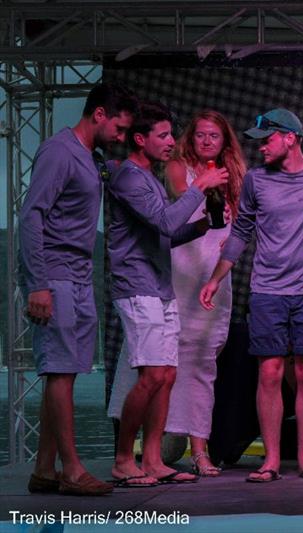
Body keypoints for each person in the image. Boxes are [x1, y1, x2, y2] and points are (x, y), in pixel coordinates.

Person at [200, 108, 303, 483]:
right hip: (267, 291)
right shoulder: (257, 180)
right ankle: (271, 460)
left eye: (267, 140)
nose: (260, 148)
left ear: (289, 138)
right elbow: (241, 232)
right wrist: (214, 278)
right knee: (270, 372)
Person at [19, 82, 137, 496]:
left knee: (67, 370)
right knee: (60, 371)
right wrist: (38, 285)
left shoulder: (91, 157)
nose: (121, 137)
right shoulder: (59, 151)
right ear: (99, 114)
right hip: (55, 274)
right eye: (119, 129)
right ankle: (71, 469)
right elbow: (31, 216)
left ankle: (44, 469)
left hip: (79, 273)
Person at [106, 102, 228, 487]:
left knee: (169, 374)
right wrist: (198, 189)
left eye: (171, 134)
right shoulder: (128, 177)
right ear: (140, 139)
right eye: (163, 135)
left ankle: (155, 459)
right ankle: (125, 458)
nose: (171, 141)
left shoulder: (149, 179)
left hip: (160, 287)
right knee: (151, 374)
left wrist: (203, 226)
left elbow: (169, 233)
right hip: (137, 286)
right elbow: (163, 220)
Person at [164, 110, 246, 476]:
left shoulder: (235, 178)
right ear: (191, 138)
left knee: (204, 363)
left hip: (215, 275)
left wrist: (235, 237)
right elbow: (180, 205)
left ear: (224, 140)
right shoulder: (179, 167)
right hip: (182, 272)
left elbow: (243, 226)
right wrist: (206, 183)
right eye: (201, 135)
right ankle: (162, 444)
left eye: (214, 135)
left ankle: (200, 449)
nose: (207, 141)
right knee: (169, 359)